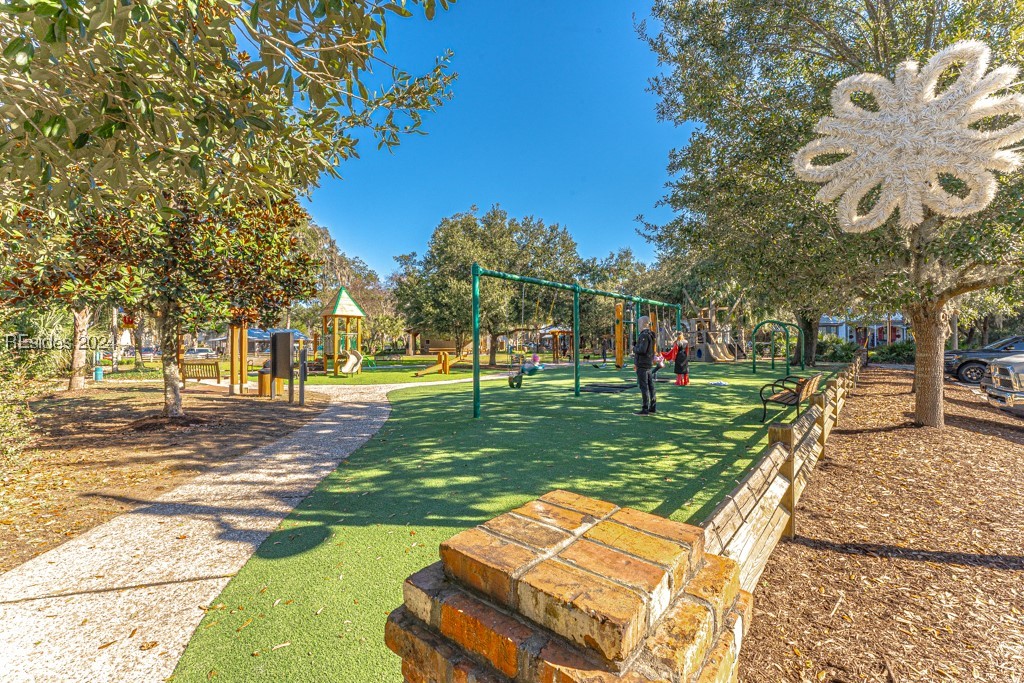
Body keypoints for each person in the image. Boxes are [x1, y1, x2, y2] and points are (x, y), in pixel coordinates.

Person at [633, 316, 657, 415]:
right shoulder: (650, 335)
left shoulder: (644, 335)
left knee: (644, 386)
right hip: (648, 363)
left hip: (643, 363)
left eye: (639, 324)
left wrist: (634, 348)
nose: (638, 326)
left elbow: (642, 350)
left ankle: (645, 408)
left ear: (643, 324)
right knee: (650, 386)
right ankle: (652, 407)